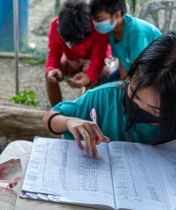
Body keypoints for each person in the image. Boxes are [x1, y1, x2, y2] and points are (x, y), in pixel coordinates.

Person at [42, 32, 176, 160]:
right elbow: (50, 118)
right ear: (134, 73)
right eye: (135, 97)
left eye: (156, 109)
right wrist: (69, 121)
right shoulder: (105, 97)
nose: (140, 107)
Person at [45, 0, 110, 107]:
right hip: (72, 59)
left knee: (99, 75)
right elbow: (54, 52)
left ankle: (84, 112)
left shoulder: (98, 27)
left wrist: (88, 77)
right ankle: (57, 112)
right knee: (51, 77)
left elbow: (97, 59)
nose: (73, 44)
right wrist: (52, 68)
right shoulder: (55, 24)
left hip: (94, 59)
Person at [90, 0, 161, 81]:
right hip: (130, 68)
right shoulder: (112, 32)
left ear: (117, 15)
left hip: (152, 72)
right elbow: (122, 61)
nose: (96, 24)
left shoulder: (137, 33)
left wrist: (126, 85)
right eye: (94, 20)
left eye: (99, 19)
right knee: (101, 88)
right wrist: (123, 81)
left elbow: (140, 69)